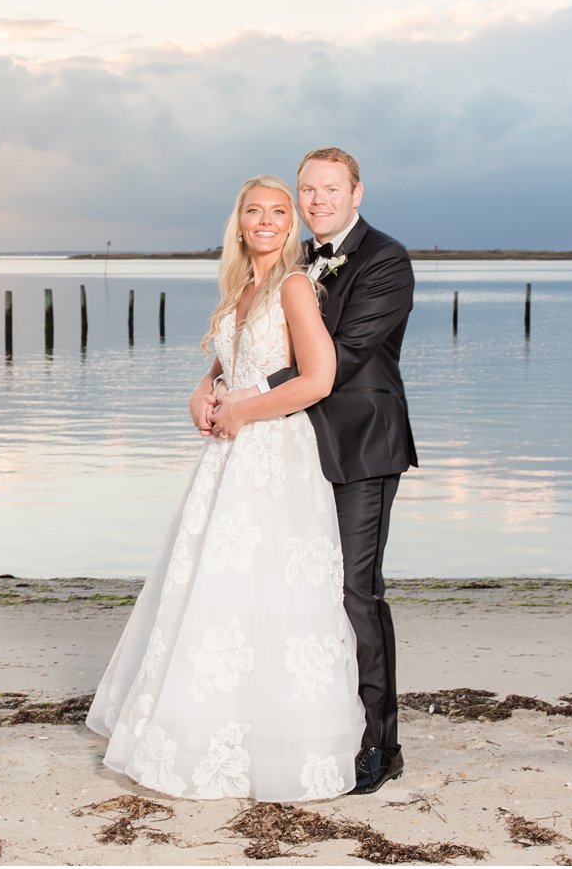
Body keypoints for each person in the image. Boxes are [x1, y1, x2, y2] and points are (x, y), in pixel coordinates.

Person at [85, 175, 365, 801]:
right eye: (253, 211)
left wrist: (244, 411)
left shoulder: (295, 285)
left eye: (278, 211)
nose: (266, 220)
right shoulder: (242, 286)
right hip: (227, 460)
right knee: (216, 590)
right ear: (239, 223)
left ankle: (276, 744)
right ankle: (207, 727)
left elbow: (318, 379)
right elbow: (230, 364)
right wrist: (202, 390)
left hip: (273, 456)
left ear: (291, 225)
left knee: (270, 593)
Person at [210, 147, 416, 795]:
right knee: (288, 589)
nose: (318, 200)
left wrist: (247, 394)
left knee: (354, 591)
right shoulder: (292, 260)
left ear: (357, 192)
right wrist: (216, 380)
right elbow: (260, 330)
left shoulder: (386, 258)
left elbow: (344, 354)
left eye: (331, 189)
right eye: (309, 190)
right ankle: (302, 723)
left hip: (357, 445)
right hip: (288, 446)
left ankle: (380, 742)